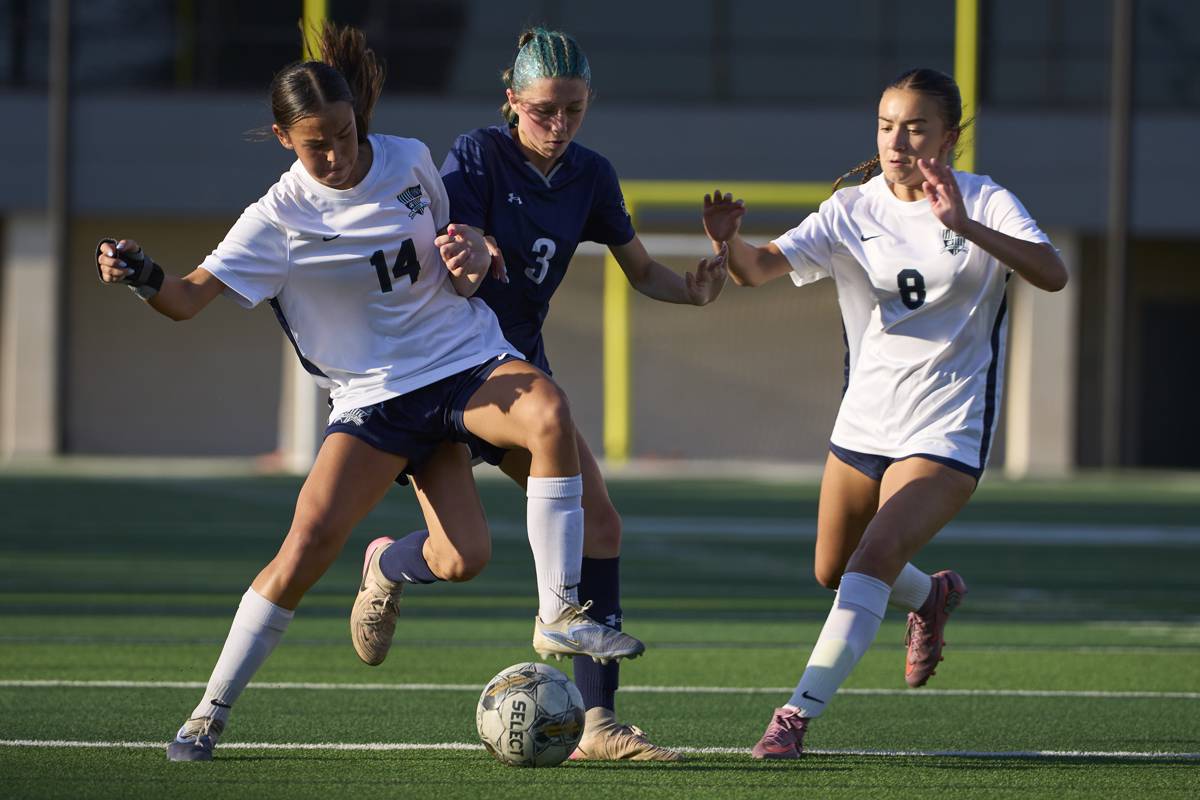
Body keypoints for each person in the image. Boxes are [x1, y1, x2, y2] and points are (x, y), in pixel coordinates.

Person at [95, 22, 643, 762]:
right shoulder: (275, 218)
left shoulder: (411, 161)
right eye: (317, 143)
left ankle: (555, 615)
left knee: (548, 408)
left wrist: (473, 253)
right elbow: (188, 297)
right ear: (286, 139)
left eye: (347, 135)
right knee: (335, 547)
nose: (338, 154)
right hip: (376, 399)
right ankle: (209, 710)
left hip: (463, 358)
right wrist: (145, 278)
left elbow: (455, 259)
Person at [349, 27, 727, 762]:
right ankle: (388, 565)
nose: (558, 126)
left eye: (573, 111)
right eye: (544, 110)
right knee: (462, 558)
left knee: (601, 528)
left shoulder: (591, 174)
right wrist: (473, 259)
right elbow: (452, 262)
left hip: (518, 372)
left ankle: (599, 725)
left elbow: (641, 269)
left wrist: (692, 290)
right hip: (443, 371)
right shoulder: (477, 154)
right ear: (511, 101)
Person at [701, 67, 1068, 758]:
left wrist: (963, 225)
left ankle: (794, 715)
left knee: (872, 556)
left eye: (916, 126)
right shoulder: (851, 208)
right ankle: (929, 596)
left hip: (947, 425)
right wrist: (728, 243)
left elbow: (1053, 273)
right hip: (865, 421)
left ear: (950, 137)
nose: (897, 139)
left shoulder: (986, 201)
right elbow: (757, 271)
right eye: (886, 124)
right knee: (833, 567)